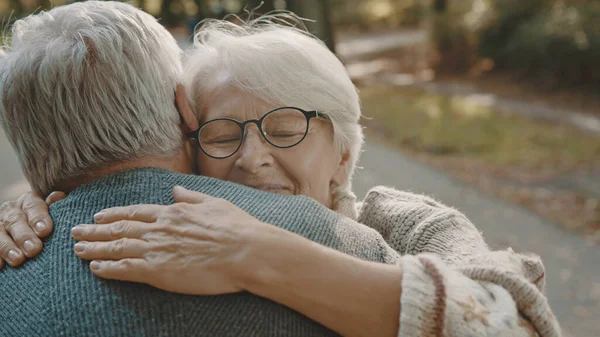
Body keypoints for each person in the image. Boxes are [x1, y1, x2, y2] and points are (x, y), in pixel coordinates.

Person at [0, 3, 561, 337]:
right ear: (186, 126)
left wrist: (261, 256)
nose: (252, 157)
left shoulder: (407, 226)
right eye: (221, 135)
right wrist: (42, 193)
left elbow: (513, 325)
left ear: (345, 150)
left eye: (287, 128)